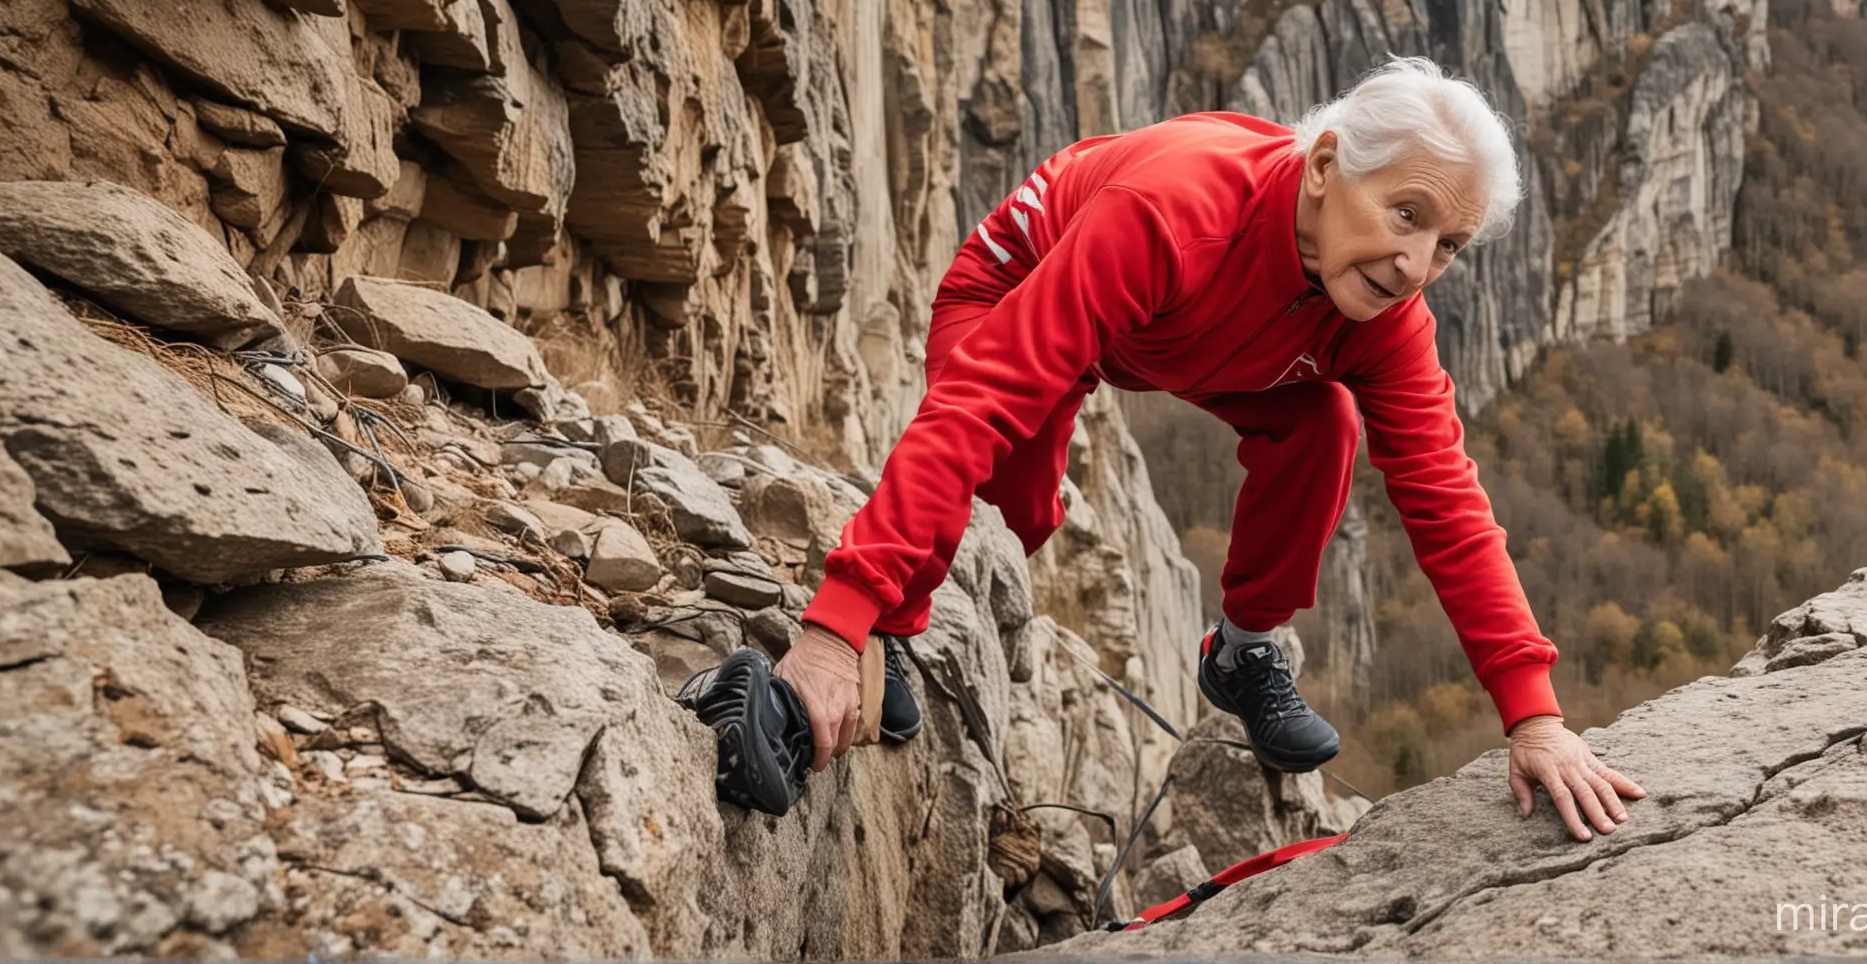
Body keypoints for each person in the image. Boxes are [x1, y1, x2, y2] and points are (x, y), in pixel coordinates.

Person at [686, 56, 1645, 841]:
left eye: (1449, 245)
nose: (1415, 266)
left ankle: (1243, 650)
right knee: (1013, 506)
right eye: (1407, 213)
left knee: (1323, 423)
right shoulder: (1175, 211)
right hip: (1028, 284)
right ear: (1324, 166)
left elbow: (1446, 503)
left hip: (1204, 337)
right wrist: (833, 627)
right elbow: (976, 405)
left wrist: (1536, 718)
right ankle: (890, 629)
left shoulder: (1385, 314)